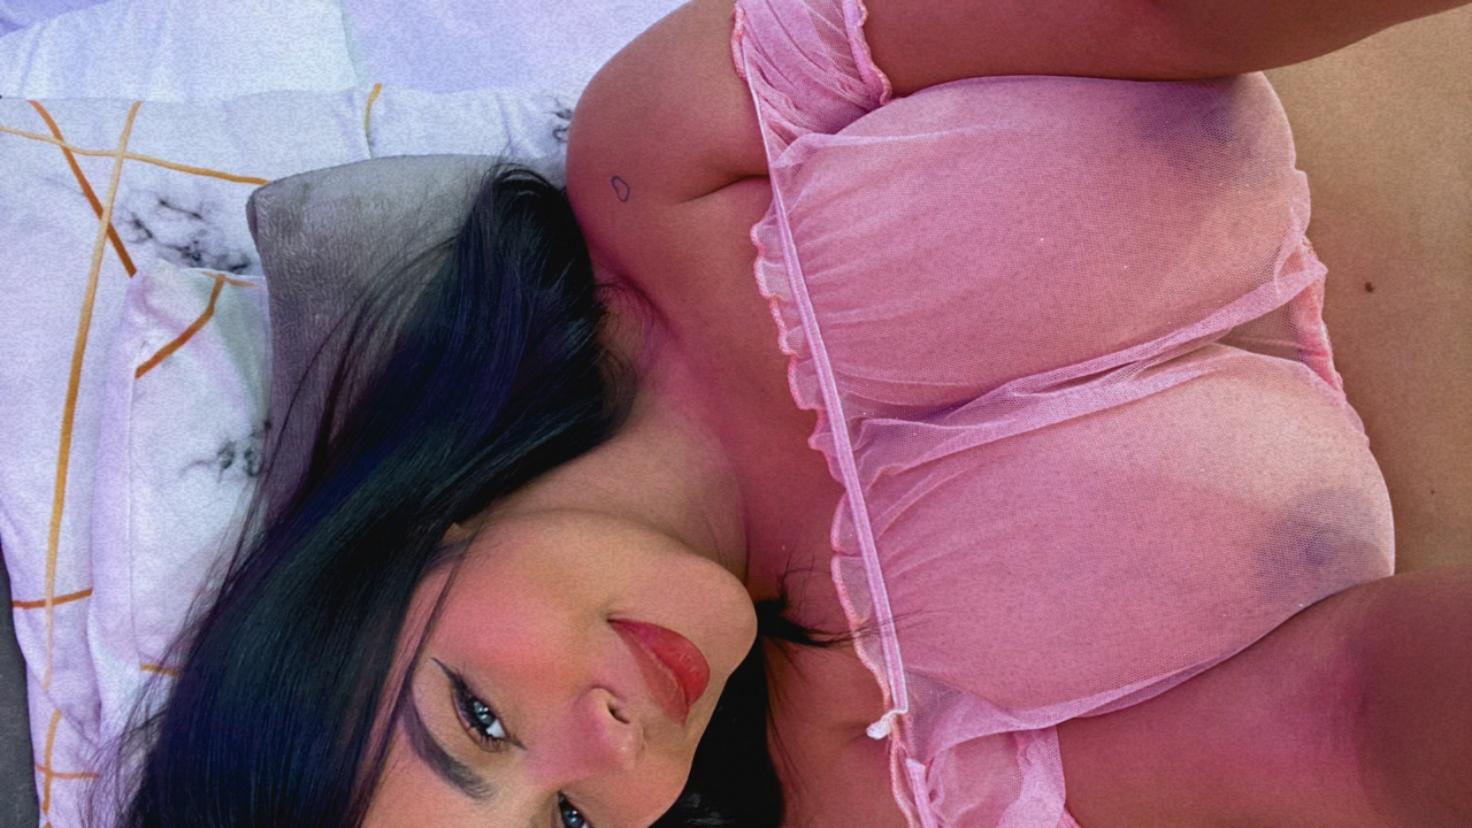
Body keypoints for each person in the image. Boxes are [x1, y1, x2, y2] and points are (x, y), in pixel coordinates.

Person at [97, 0, 1472, 825]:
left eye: (482, 723)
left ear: (384, 560)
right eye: (570, 827)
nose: (605, 746)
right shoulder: (885, 781)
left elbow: (1154, 10)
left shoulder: (665, 170)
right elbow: (1349, 733)